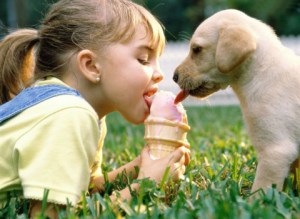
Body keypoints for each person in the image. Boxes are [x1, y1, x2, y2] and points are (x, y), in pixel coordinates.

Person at [0, 0, 190, 218]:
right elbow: (49, 214)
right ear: (90, 65)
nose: (159, 73)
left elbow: (88, 189)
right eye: (143, 59)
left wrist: (140, 167)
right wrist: (144, 185)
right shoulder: (68, 114)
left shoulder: (83, 114)